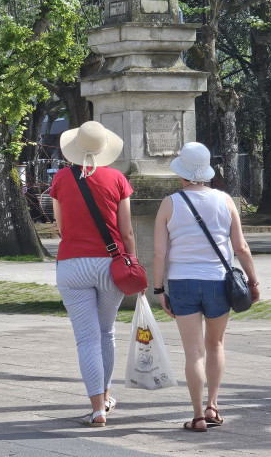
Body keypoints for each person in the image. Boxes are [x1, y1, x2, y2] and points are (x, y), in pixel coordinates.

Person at [153, 142, 260, 432]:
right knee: (215, 344)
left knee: (193, 352)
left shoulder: (169, 203)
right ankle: (214, 405)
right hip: (218, 282)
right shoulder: (225, 200)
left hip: (182, 282)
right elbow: (240, 246)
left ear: (182, 173)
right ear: (206, 172)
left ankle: (198, 415)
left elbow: (159, 253)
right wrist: (252, 280)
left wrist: (159, 289)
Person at [49, 121, 135, 427]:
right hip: (110, 264)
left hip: (72, 264)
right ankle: (107, 395)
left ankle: (98, 409)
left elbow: (60, 228)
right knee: (106, 332)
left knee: (86, 339)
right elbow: (125, 230)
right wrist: (131, 259)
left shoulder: (60, 178)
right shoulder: (118, 179)